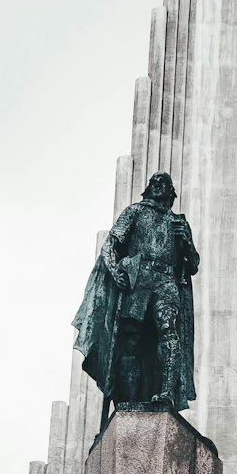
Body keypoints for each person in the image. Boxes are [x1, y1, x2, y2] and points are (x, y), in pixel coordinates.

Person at [73, 171, 199, 419]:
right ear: (149, 188)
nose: (159, 186)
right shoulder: (135, 212)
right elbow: (110, 244)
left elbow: (193, 265)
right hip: (138, 280)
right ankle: (128, 400)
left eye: (164, 183)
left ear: (172, 192)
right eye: (155, 182)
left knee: (168, 329)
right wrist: (115, 271)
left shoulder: (179, 223)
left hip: (166, 281)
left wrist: (187, 243)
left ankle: (166, 394)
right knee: (131, 342)